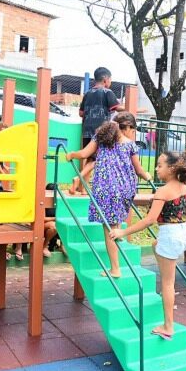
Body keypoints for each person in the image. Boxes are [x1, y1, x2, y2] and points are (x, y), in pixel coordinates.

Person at [110, 151, 186, 340]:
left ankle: (168, 326)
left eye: (160, 165)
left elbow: (149, 220)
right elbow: (183, 210)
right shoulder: (183, 187)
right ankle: (167, 298)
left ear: (172, 168)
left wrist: (122, 232)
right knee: (156, 244)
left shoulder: (163, 191)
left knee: (167, 283)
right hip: (184, 234)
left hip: (171, 236)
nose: (157, 169)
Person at [67, 112, 152, 278]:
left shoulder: (101, 137)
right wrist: (147, 176)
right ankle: (118, 236)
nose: (133, 133)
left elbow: (84, 154)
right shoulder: (130, 144)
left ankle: (115, 269)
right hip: (127, 188)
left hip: (106, 189)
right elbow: (139, 170)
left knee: (109, 229)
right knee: (116, 217)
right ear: (126, 126)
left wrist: (71, 155)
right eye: (133, 129)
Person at [70, 67, 125, 195]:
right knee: (97, 159)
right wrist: (133, 109)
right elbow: (117, 108)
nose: (110, 82)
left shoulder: (88, 93)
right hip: (101, 132)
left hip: (86, 131)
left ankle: (83, 189)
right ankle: (78, 179)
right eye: (110, 79)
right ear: (105, 80)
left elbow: (80, 113)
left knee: (90, 159)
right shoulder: (107, 92)